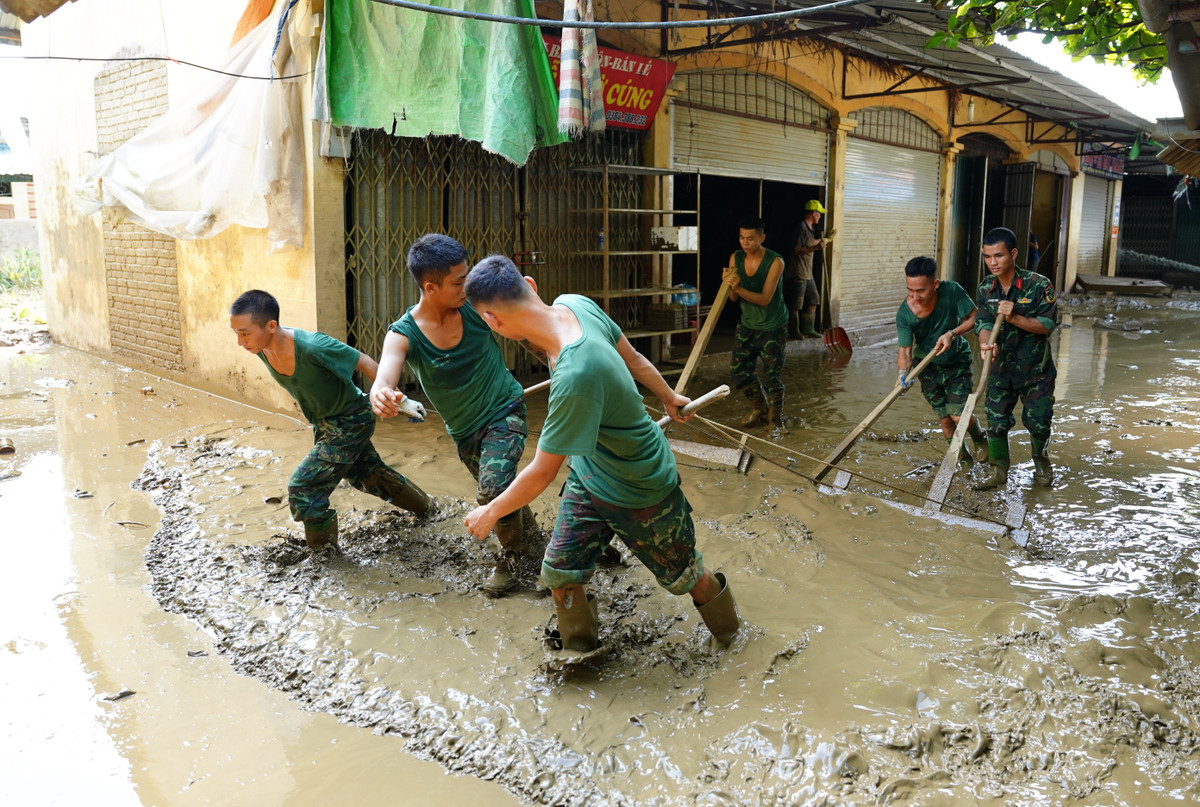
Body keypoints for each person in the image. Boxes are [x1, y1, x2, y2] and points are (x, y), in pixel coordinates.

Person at [460, 255, 740, 652]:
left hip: (639, 485)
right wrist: (667, 395)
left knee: (687, 576)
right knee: (559, 574)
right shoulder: (573, 303)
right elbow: (633, 357)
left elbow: (542, 473)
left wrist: (491, 511)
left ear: (491, 320)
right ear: (531, 284)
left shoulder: (576, 375)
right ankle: (581, 656)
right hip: (590, 474)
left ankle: (731, 636)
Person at [370, 234, 542, 596]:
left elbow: (531, 333)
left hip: (505, 410)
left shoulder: (476, 308)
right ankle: (539, 547)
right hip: (465, 433)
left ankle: (513, 562)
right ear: (430, 287)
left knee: (492, 490)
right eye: (459, 282)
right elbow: (385, 377)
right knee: (502, 491)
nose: (468, 287)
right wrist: (381, 393)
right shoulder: (404, 334)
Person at [229, 290, 435, 552]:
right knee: (368, 474)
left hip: (351, 419)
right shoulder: (260, 347)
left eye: (244, 333)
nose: (240, 342)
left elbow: (366, 363)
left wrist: (400, 399)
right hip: (325, 423)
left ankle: (324, 556)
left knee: (304, 487)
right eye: (236, 333)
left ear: (271, 326)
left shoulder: (314, 346)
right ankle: (429, 509)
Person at [974, 227, 1058, 490]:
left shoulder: (1038, 285)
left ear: (1013, 253)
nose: (992, 262)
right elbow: (983, 322)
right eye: (987, 257)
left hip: (1035, 371)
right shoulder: (986, 288)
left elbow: (1047, 325)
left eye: (998, 255)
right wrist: (985, 343)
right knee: (996, 423)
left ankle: (1041, 462)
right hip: (1000, 371)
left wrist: (1013, 317)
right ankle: (999, 470)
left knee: (1039, 423)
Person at [895, 256, 987, 467]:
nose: (915, 297)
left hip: (956, 361)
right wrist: (902, 374)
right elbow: (905, 351)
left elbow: (975, 318)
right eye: (910, 290)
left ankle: (980, 438)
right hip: (927, 367)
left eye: (921, 291)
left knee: (958, 415)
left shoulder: (952, 291)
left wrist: (952, 334)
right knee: (945, 420)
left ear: (935, 284)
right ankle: (962, 460)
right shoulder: (904, 314)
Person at [724, 215, 788, 429]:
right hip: (747, 324)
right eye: (742, 238)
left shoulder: (775, 262)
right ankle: (758, 408)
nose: (745, 243)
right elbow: (733, 298)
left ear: (762, 238)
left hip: (773, 326)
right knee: (738, 372)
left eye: (750, 239)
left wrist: (738, 288)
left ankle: (775, 422)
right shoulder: (735, 258)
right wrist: (730, 285)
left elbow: (765, 299)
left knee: (771, 377)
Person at [787, 200, 826, 339]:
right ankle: (794, 331)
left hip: (808, 273)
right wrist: (816, 248)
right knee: (796, 304)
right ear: (814, 213)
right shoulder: (801, 227)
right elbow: (796, 250)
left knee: (814, 300)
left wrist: (824, 240)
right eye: (819, 214)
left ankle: (808, 329)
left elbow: (809, 242)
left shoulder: (811, 228)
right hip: (799, 272)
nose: (820, 217)